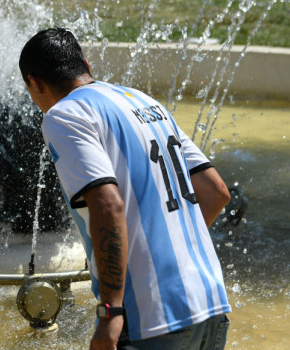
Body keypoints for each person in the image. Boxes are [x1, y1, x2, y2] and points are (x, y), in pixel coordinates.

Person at [19, 28, 232, 350]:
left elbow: (108, 206)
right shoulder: (144, 101)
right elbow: (216, 192)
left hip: (150, 314)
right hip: (211, 300)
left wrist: (110, 312)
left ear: (35, 83)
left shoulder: (65, 115)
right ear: (86, 65)